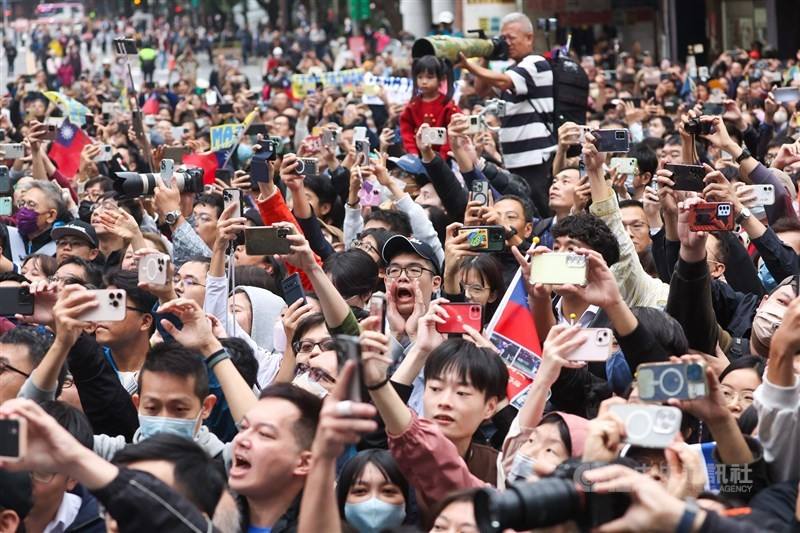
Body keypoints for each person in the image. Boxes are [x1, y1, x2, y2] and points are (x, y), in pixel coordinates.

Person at [458, 12, 557, 217]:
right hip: (514, 159)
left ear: (529, 37)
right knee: (521, 212)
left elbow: (504, 81)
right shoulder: (513, 69)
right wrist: (486, 53)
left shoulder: (535, 62)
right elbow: (481, 90)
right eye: (503, 39)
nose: (506, 43)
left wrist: (469, 65)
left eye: (511, 38)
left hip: (535, 158)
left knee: (538, 210)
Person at [399, 55, 459, 157]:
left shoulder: (448, 106)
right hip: (418, 157)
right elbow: (406, 131)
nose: (424, 81)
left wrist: (443, 157)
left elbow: (453, 133)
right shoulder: (412, 106)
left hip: (444, 158)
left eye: (429, 77)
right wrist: (413, 152)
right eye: (420, 77)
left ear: (441, 79)